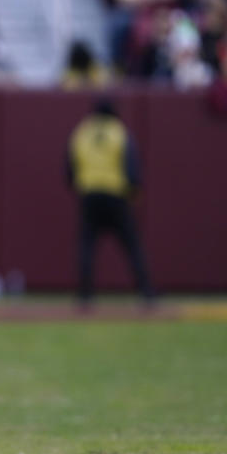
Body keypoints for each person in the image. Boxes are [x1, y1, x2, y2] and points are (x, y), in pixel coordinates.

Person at [66, 97, 155, 307]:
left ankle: (85, 295)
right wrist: (134, 190)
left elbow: (69, 165)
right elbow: (131, 164)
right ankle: (147, 292)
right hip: (116, 194)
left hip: (89, 194)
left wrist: (77, 185)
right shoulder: (119, 132)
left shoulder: (82, 132)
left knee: (86, 247)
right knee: (132, 245)